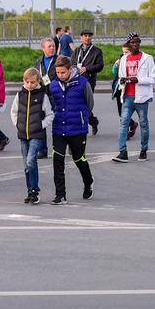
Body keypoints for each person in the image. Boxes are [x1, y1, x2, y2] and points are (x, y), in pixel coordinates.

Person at [49, 56, 94, 204]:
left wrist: (82, 117)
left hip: (77, 129)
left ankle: (88, 182)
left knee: (78, 158)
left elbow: (89, 103)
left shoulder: (82, 83)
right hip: (58, 129)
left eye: (63, 72)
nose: (60, 75)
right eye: (58, 72)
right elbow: (50, 105)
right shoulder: (53, 85)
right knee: (58, 161)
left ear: (70, 69)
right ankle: (60, 195)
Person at [10, 68, 54, 204]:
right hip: (23, 135)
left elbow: (50, 114)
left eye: (33, 82)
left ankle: (35, 190)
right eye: (27, 82)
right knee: (26, 165)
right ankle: (30, 191)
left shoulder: (42, 96)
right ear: (24, 81)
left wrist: (41, 125)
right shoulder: (20, 95)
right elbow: (14, 112)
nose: (30, 85)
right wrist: (18, 124)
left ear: (38, 81)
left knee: (30, 161)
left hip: (37, 135)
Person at [113, 32, 155, 163]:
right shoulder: (124, 59)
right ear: (128, 44)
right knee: (123, 124)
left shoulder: (147, 58)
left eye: (137, 42)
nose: (135, 44)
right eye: (132, 42)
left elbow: (154, 78)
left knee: (143, 123)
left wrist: (137, 79)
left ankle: (143, 150)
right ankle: (122, 152)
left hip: (141, 98)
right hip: (127, 96)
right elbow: (120, 76)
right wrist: (122, 81)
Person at [70, 29, 105, 135]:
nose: (87, 37)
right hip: (76, 80)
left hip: (88, 81)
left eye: (89, 36)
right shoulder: (77, 50)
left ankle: (88, 124)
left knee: (85, 104)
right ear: (81, 37)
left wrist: (87, 68)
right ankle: (92, 121)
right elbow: (72, 63)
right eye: (85, 35)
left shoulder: (97, 51)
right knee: (78, 103)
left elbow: (100, 66)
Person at [34, 37, 59, 158]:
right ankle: (42, 150)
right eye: (49, 46)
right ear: (43, 48)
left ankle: (60, 147)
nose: (52, 48)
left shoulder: (60, 60)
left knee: (59, 121)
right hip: (42, 96)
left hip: (56, 95)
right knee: (41, 122)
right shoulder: (38, 61)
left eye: (53, 46)